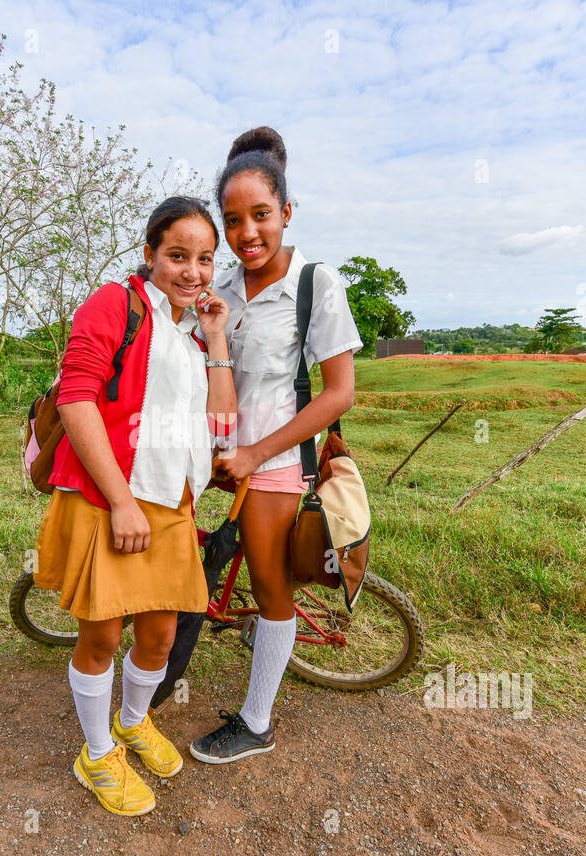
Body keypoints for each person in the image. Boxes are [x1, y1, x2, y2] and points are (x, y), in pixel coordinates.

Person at [34, 196, 236, 815]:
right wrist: (120, 502)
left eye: (205, 259)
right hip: (110, 497)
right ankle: (96, 756)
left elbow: (222, 420)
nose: (192, 271)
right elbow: (76, 399)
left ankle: (132, 721)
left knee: (162, 631)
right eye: (178, 255)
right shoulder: (113, 304)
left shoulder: (187, 331)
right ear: (149, 254)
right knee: (102, 634)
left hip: (172, 503)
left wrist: (217, 336)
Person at [190, 127, 362, 764]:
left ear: (286, 213)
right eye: (232, 221)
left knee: (269, 588)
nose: (247, 233)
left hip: (276, 461)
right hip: (217, 454)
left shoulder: (316, 283)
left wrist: (256, 456)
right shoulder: (220, 289)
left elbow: (338, 393)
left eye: (261, 215)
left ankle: (256, 721)